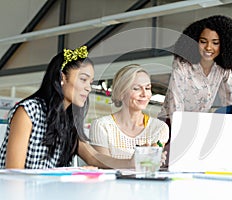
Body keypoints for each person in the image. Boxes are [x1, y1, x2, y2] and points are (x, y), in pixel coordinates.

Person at [0, 46, 134, 169]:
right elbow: (14, 171)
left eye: (91, 82)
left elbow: (94, 157)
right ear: (62, 77)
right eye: (83, 79)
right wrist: (72, 172)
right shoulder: (28, 112)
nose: (88, 88)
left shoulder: (70, 119)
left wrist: (132, 163)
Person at [159, 15, 232, 121]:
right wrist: (180, 128)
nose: (208, 47)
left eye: (215, 43)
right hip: (170, 121)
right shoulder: (182, 65)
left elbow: (231, 101)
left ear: (224, 45)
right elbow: (175, 102)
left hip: (197, 122)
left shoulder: (223, 69)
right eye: (203, 41)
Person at [89, 64, 169, 160]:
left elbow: (150, 165)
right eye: (136, 88)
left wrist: (156, 160)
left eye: (147, 88)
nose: (144, 94)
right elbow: (104, 165)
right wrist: (136, 161)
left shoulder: (159, 128)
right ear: (121, 93)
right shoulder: (101, 126)